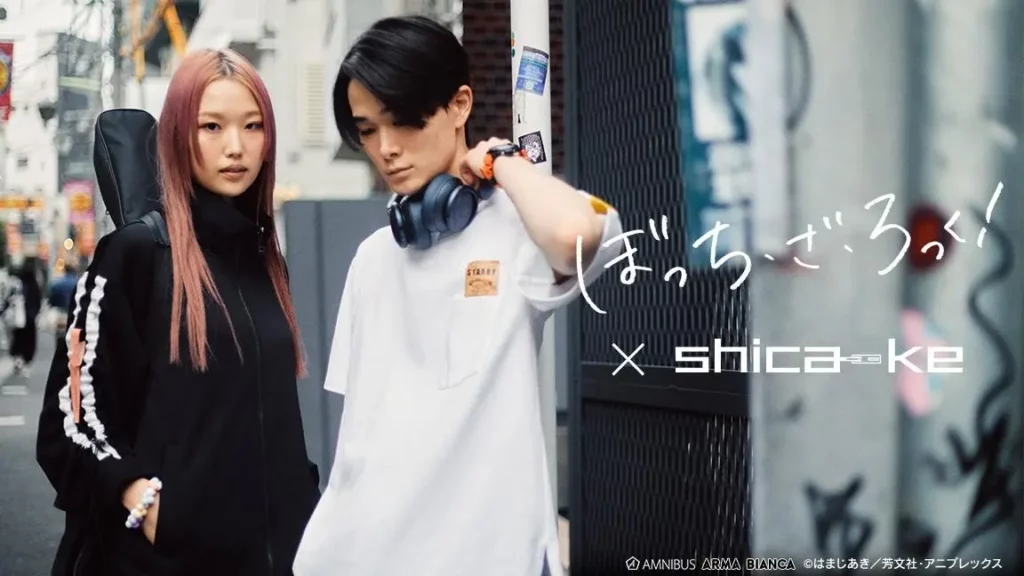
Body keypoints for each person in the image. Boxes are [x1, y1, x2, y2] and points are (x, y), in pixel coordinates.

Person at [293, 16, 624, 576]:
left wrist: (503, 163)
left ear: (459, 106)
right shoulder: (372, 259)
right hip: (363, 558)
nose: (386, 148)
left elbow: (580, 234)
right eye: (368, 130)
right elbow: (360, 443)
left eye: (406, 120)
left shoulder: (515, 229)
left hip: (487, 557)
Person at [37, 49, 320, 576]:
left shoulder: (263, 260)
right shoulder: (137, 254)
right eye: (211, 126)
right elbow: (70, 422)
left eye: (253, 126)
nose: (235, 147)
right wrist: (139, 498)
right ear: (176, 136)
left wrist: (304, 501)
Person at [10, 256, 42, 375]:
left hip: (19, 318)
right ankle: (26, 361)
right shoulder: (34, 283)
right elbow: (38, 300)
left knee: (18, 339)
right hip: (30, 318)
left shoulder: (18, 282)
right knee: (29, 341)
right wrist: (34, 313)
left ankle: (18, 359)